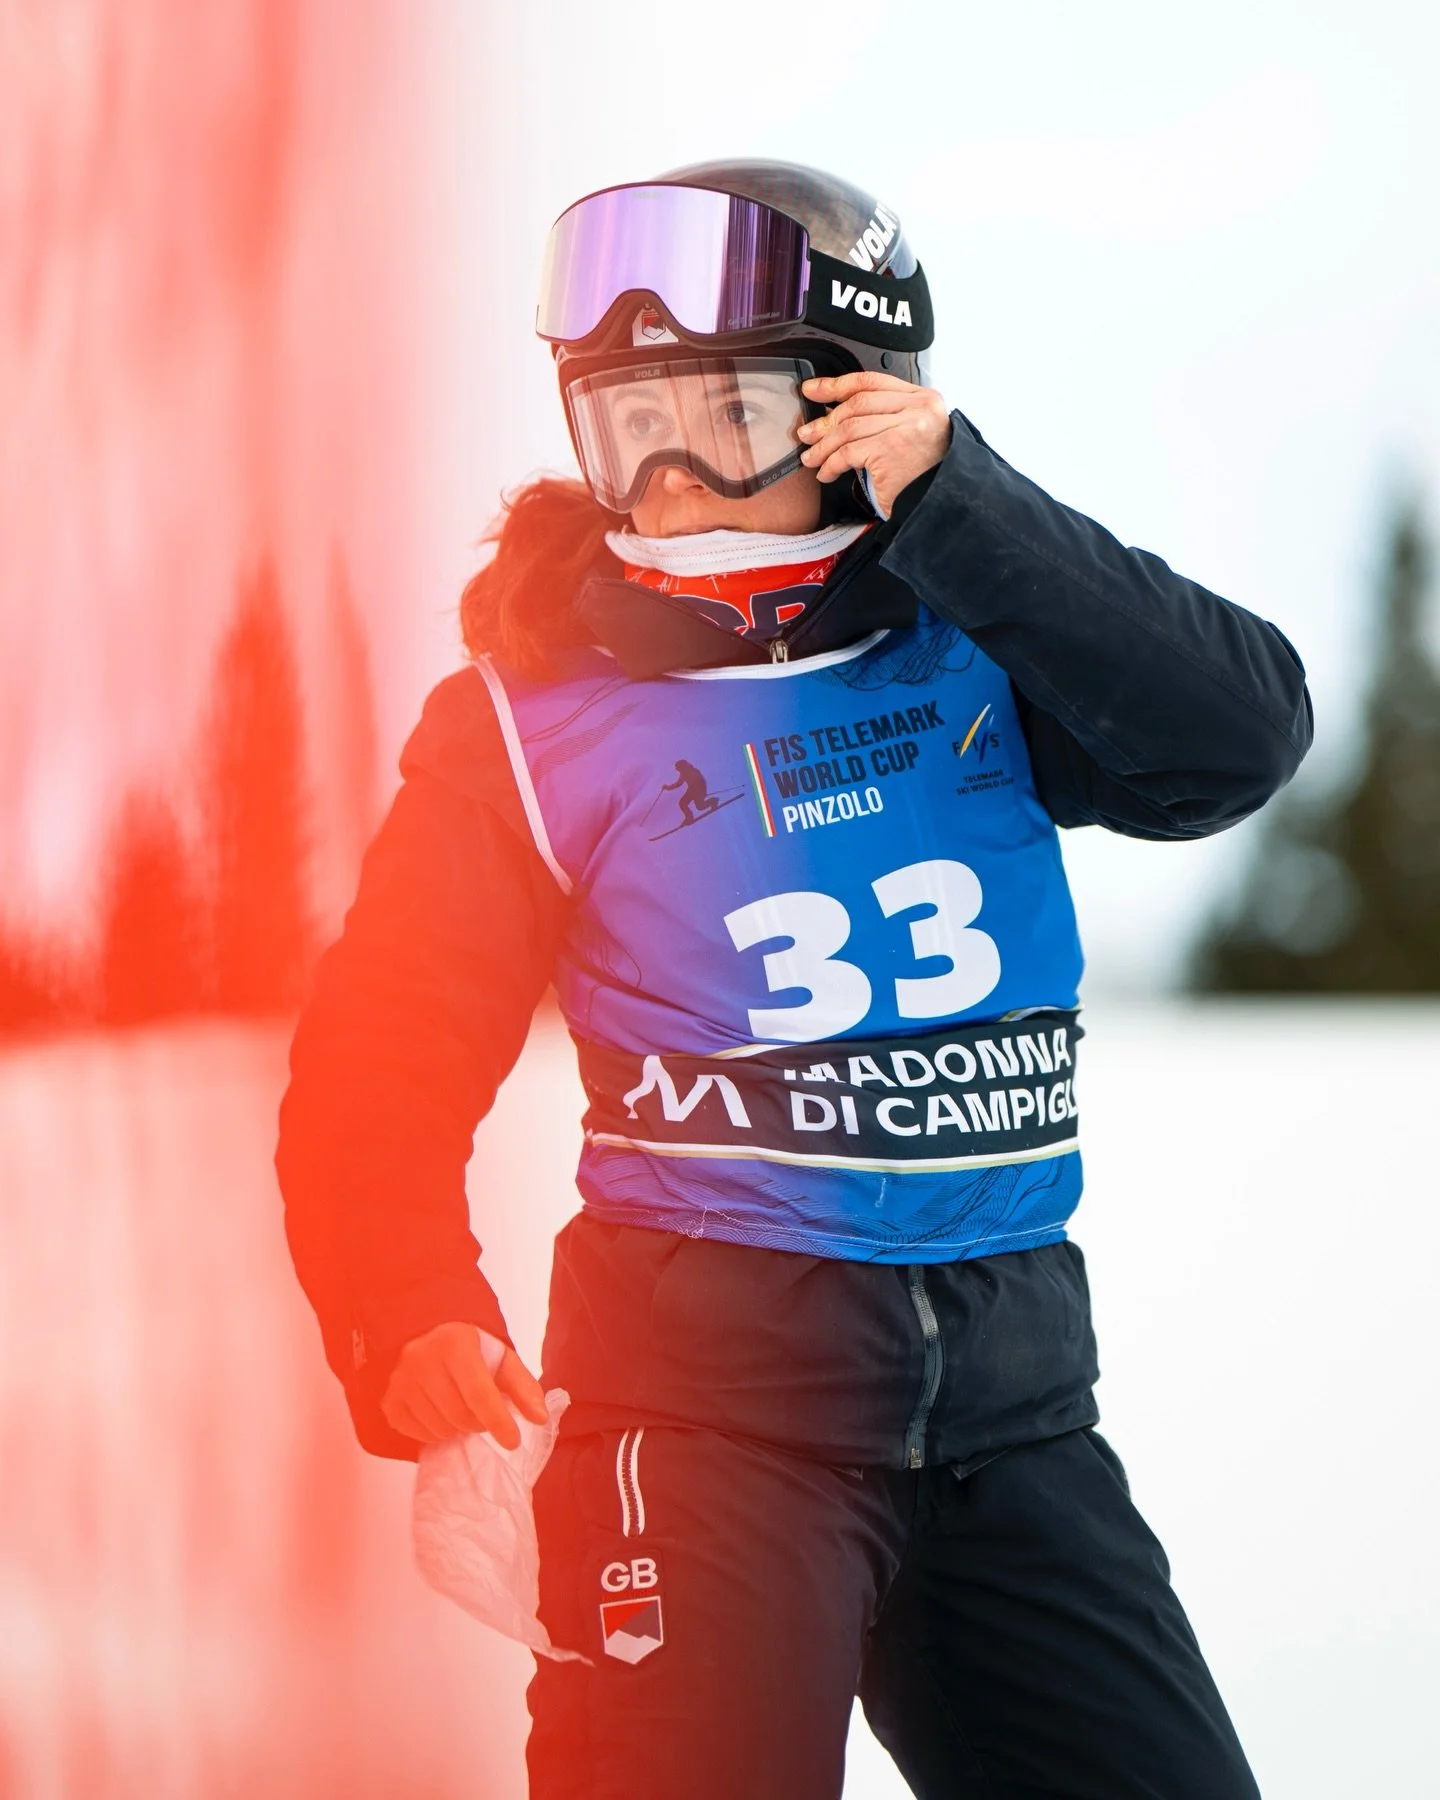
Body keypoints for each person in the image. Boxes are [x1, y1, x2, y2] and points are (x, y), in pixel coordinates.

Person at [277, 161, 1312, 1799]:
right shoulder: (528, 724)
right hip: (696, 1441)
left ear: (855, 409)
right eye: (630, 425)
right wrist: (402, 1306)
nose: (672, 478)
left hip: (1015, 1423)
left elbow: (1236, 740)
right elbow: (374, 1071)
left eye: (727, 419)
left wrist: (967, 503)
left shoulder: (978, 638)